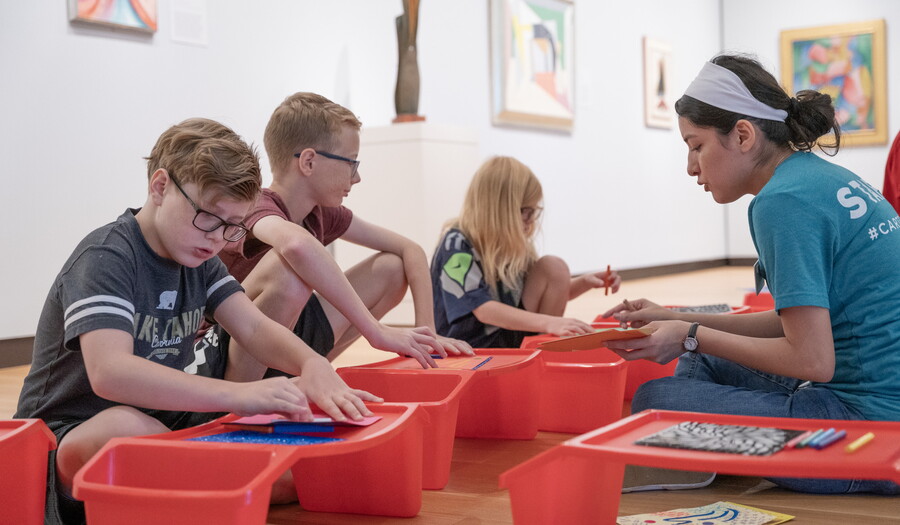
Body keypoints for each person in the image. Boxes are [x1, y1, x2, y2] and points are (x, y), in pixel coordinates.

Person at [14, 118, 381, 524]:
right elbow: (110, 373)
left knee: (293, 478)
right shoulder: (107, 256)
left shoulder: (199, 257)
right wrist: (238, 396)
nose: (217, 239)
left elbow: (254, 328)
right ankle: (198, 472)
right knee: (125, 429)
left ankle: (197, 472)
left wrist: (312, 364)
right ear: (160, 187)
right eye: (209, 218)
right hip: (62, 441)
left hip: (161, 421)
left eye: (231, 227)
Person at [603, 54, 900, 495]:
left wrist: (689, 333)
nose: (690, 166)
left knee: (656, 403)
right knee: (700, 357)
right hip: (873, 408)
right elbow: (797, 323)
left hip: (867, 439)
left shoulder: (782, 202)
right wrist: (678, 320)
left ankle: (704, 456)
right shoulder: (816, 178)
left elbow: (813, 362)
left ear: (742, 135)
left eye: (696, 145)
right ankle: (710, 454)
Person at [220, 92, 472, 382]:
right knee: (287, 267)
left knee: (391, 268)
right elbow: (296, 245)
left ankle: (312, 373)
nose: (356, 178)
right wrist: (375, 331)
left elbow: (409, 249)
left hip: (289, 336)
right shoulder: (257, 206)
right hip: (232, 349)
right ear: (309, 162)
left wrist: (429, 331)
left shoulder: (322, 212)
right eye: (351, 163)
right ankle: (245, 395)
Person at [432, 156, 621, 348]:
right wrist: (549, 322)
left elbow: (545, 293)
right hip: (471, 347)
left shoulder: (512, 243)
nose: (531, 220)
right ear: (499, 210)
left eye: (534, 211)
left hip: (510, 338)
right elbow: (483, 309)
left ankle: (541, 352)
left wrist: (584, 283)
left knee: (554, 268)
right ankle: (540, 353)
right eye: (526, 211)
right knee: (552, 269)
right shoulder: (456, 244)